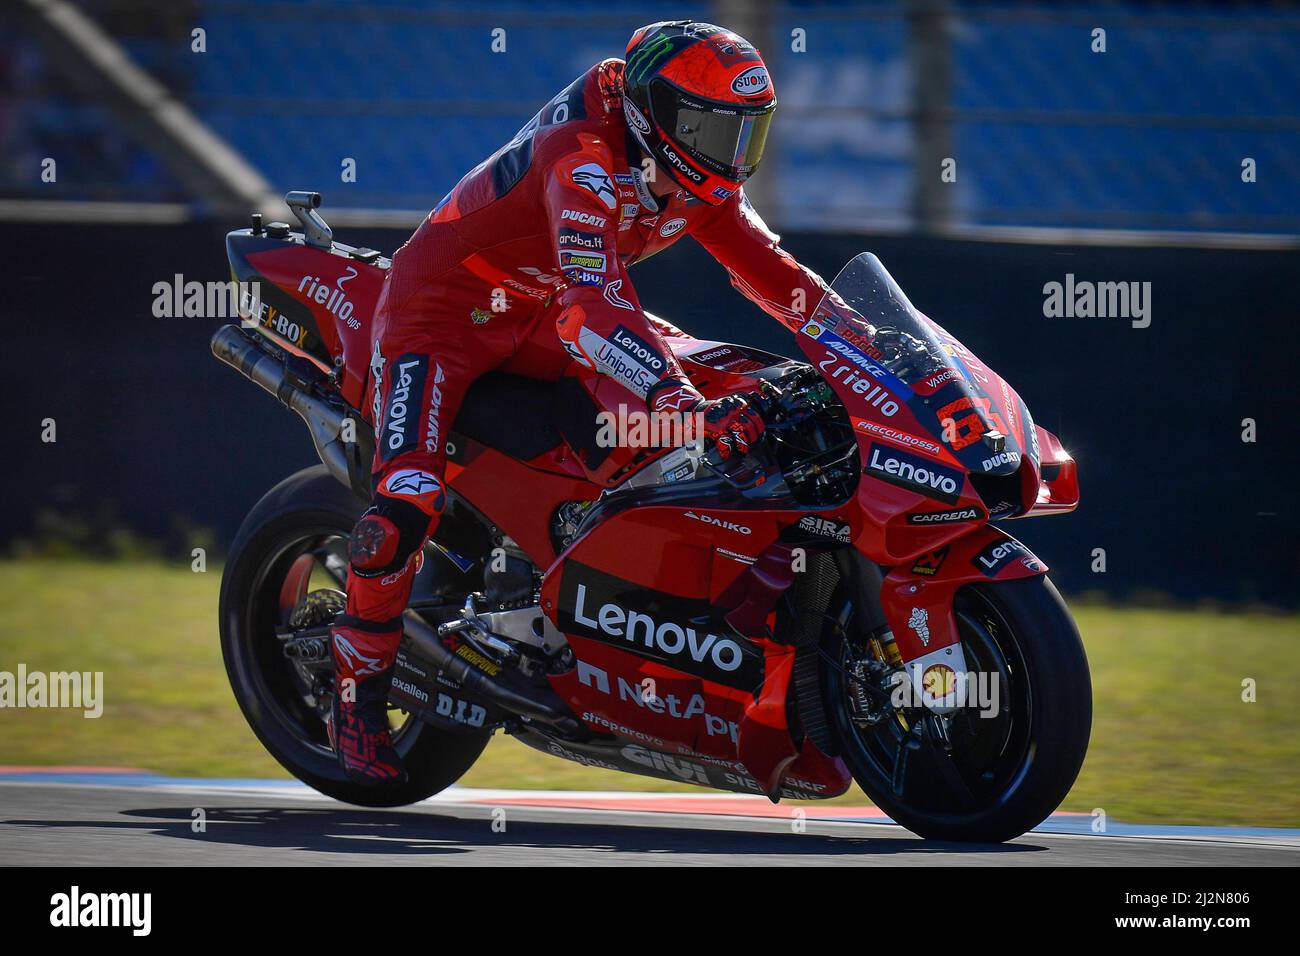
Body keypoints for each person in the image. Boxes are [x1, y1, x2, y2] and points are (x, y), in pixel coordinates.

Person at [328, 20, 833, 784]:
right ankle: (354, 691)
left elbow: (772, 271)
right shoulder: (585, 158)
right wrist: (678, 399)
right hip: (439, 322)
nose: (728, 154)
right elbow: (592, 308)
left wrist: (862, 345)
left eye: (745, 133)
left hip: (542, 316)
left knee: (752, 391)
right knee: (404, 504)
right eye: (709, 129)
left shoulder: (690, 172)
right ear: (652, 114)